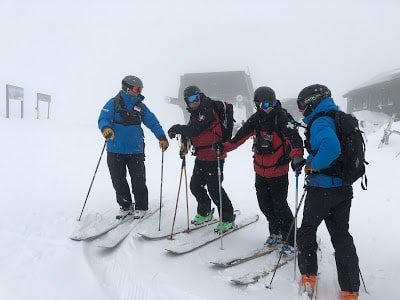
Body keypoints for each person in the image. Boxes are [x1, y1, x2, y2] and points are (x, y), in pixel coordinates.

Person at [213, 86, 305, 254]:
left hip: (278, 171)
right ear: (257, 105)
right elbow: (238, 139)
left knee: (280, 206)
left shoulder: (282, 118)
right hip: (260, 171)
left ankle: (291, 238)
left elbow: (294, 139)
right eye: (264, 104)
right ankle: (275, 232)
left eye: (271, 103)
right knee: (265, 205)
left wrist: (297, 156)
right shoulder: (256, 119)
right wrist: (223, 147)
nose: (268, 107)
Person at [296, 84, 360, 300]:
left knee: (306, 231)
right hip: (343, 189)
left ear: (312, 101)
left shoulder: (321, 120)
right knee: (341, 236)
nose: (301, 110)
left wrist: (312, 165)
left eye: (302, 105)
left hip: (322, 190)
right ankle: (350, 290)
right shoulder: (336, 116)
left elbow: (331, 147)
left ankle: (308, 277)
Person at [98, 75, 169, 219]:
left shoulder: (140, 107)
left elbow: (153, 122)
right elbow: (103, 118)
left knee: (138, 180)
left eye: (141, 89)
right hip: (115, 149)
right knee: (118, 179)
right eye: (137, 89)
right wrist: (106, 128)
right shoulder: (113, 103)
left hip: (135, 150)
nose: (139, 92)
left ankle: (141, 207)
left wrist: (161, 137)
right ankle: (125, 205)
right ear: (127, 88)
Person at [167, 86, 235, 233]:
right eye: (191, 99)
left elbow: (196, 129)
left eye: (196, 97)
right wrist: (184, 142)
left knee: (214, 189)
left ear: (200, 96)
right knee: (195, 186)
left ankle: (228, 218)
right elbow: (192, 132)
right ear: (187, 101)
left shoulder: (208, 109)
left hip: (215, 156)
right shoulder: (194, 114)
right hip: (201, 157)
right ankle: (204, 212)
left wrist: (177, 128)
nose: (194, 101)